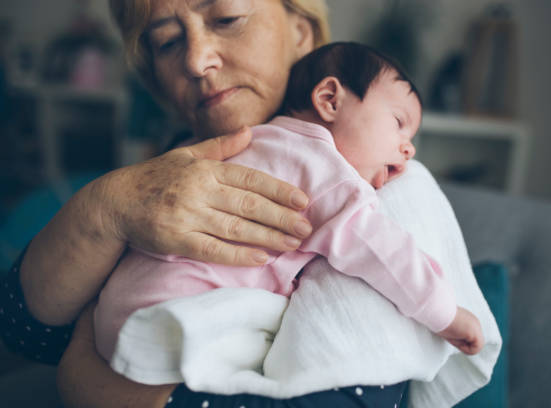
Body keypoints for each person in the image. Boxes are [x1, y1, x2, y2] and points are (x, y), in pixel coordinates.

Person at [0, 1, 418, 407]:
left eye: (227, 18)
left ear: (300, 31)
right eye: (166, 42)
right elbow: (27, 330)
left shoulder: (377, 185)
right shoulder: (173, 161)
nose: (197, 61)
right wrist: (106, 210)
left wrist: (89, 387)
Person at [94, 43, 483, 376]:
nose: (408, 149)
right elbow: (383, 250)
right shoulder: (329, 172)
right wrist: (446, 314)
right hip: (177, 317)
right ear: (329, 100)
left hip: (116, 308)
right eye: (399, 123)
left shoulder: (259, 139)